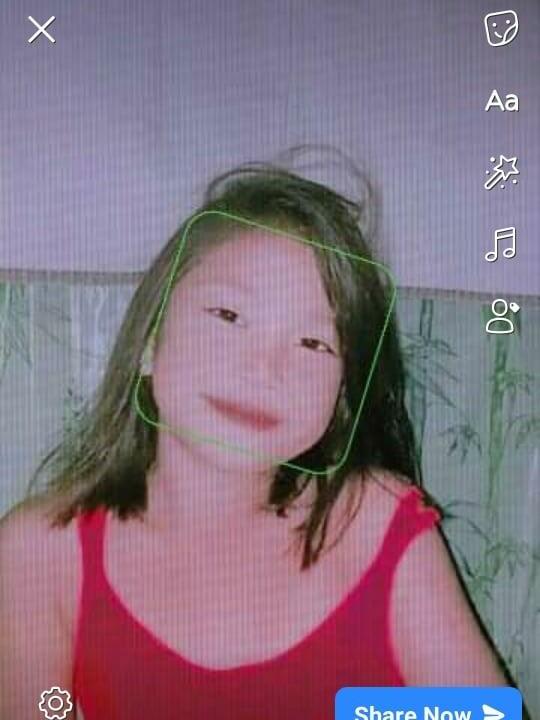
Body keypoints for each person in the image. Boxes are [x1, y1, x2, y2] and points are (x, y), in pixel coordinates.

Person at [0, 160, 514, 719]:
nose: (264, 368)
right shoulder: (40, 554)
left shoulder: (377, 524)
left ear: (342, 396)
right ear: (149, 341)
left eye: (313, 343)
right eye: (228, 315)